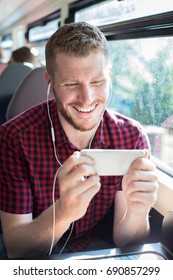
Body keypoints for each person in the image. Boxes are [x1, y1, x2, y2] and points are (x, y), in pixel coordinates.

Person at [0, 22, 158, 259]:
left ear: (110, 75)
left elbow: (126, 241)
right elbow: (17, 249)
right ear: (50, 83)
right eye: (72, 84)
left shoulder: (131, 136)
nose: (87, 99)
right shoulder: (14, 138)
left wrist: (138, 211)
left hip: (99, 255)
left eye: (97, 82)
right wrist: (63, 212)